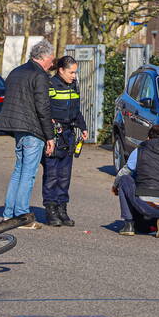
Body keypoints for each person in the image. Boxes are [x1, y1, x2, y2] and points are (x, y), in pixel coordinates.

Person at [0, 39, 56, 229]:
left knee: (18, 171)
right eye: (51, 60)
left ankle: (8, 214)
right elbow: (43, 108)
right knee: (28, 174)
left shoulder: (16, 71)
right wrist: (50, 136)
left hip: (17, 129)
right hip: (33, 130)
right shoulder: (39, 76)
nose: (53, 64)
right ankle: (22, 216)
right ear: (44, 57)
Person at [42, 55, 88, 227]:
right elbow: (44, 111)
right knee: (52, 175)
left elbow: (76, 110)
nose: (74, 76)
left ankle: (62, 209)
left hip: (68, 134)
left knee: (64, 176)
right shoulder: (50, 85)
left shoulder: (74, 85)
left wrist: (82, 127)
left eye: (75, 73)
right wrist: (49, 134)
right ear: (61, 70)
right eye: (71, 72)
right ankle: (51, 210)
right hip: (54, 135)